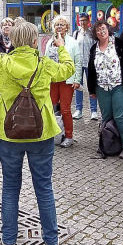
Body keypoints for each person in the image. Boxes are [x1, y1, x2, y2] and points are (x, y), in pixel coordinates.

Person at [0, 20, 74, 245]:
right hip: (41, 133)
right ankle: (51, 242)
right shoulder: (44, 63)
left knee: (10, 187)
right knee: (44, 187)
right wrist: (60, 46)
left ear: (11, 40)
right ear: (33, 40)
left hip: (9, 133)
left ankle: (9, 241)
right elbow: (69, 69)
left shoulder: (1, 63)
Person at [88, 19, 123, 158]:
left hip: (119, 85)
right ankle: (107, 145)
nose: (101, 32)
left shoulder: (119, 43)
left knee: (120, 116)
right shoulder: (94, 48)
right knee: (106, 117)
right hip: (101, 87)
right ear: (95, 33)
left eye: (103, 28)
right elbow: (91, 69)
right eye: (98, 30)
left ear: (108, 29)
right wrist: (91, 89)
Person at [44, 16, 81, 148]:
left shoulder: (73, 42)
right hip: (52, 80)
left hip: (67, 80)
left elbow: (78, 62)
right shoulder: (49, 42)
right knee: (51, 108)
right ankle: (53, 134)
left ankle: (69, 136)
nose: (59, 27)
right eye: (57, 25)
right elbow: (46, 61)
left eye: (62, 24)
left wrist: (77, 80)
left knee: (65, 109)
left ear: (67, 27)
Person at [73, 13, 99, 120]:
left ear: (88, 21)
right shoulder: (76, 34)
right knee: (78, 87)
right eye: (81, 20)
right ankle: (78, 110)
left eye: (85, 20)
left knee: (92, 87)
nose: (83, 22)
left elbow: (96, 48)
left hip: (90, 64)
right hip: (79, 64)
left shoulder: (92, 34)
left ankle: (94, 111)